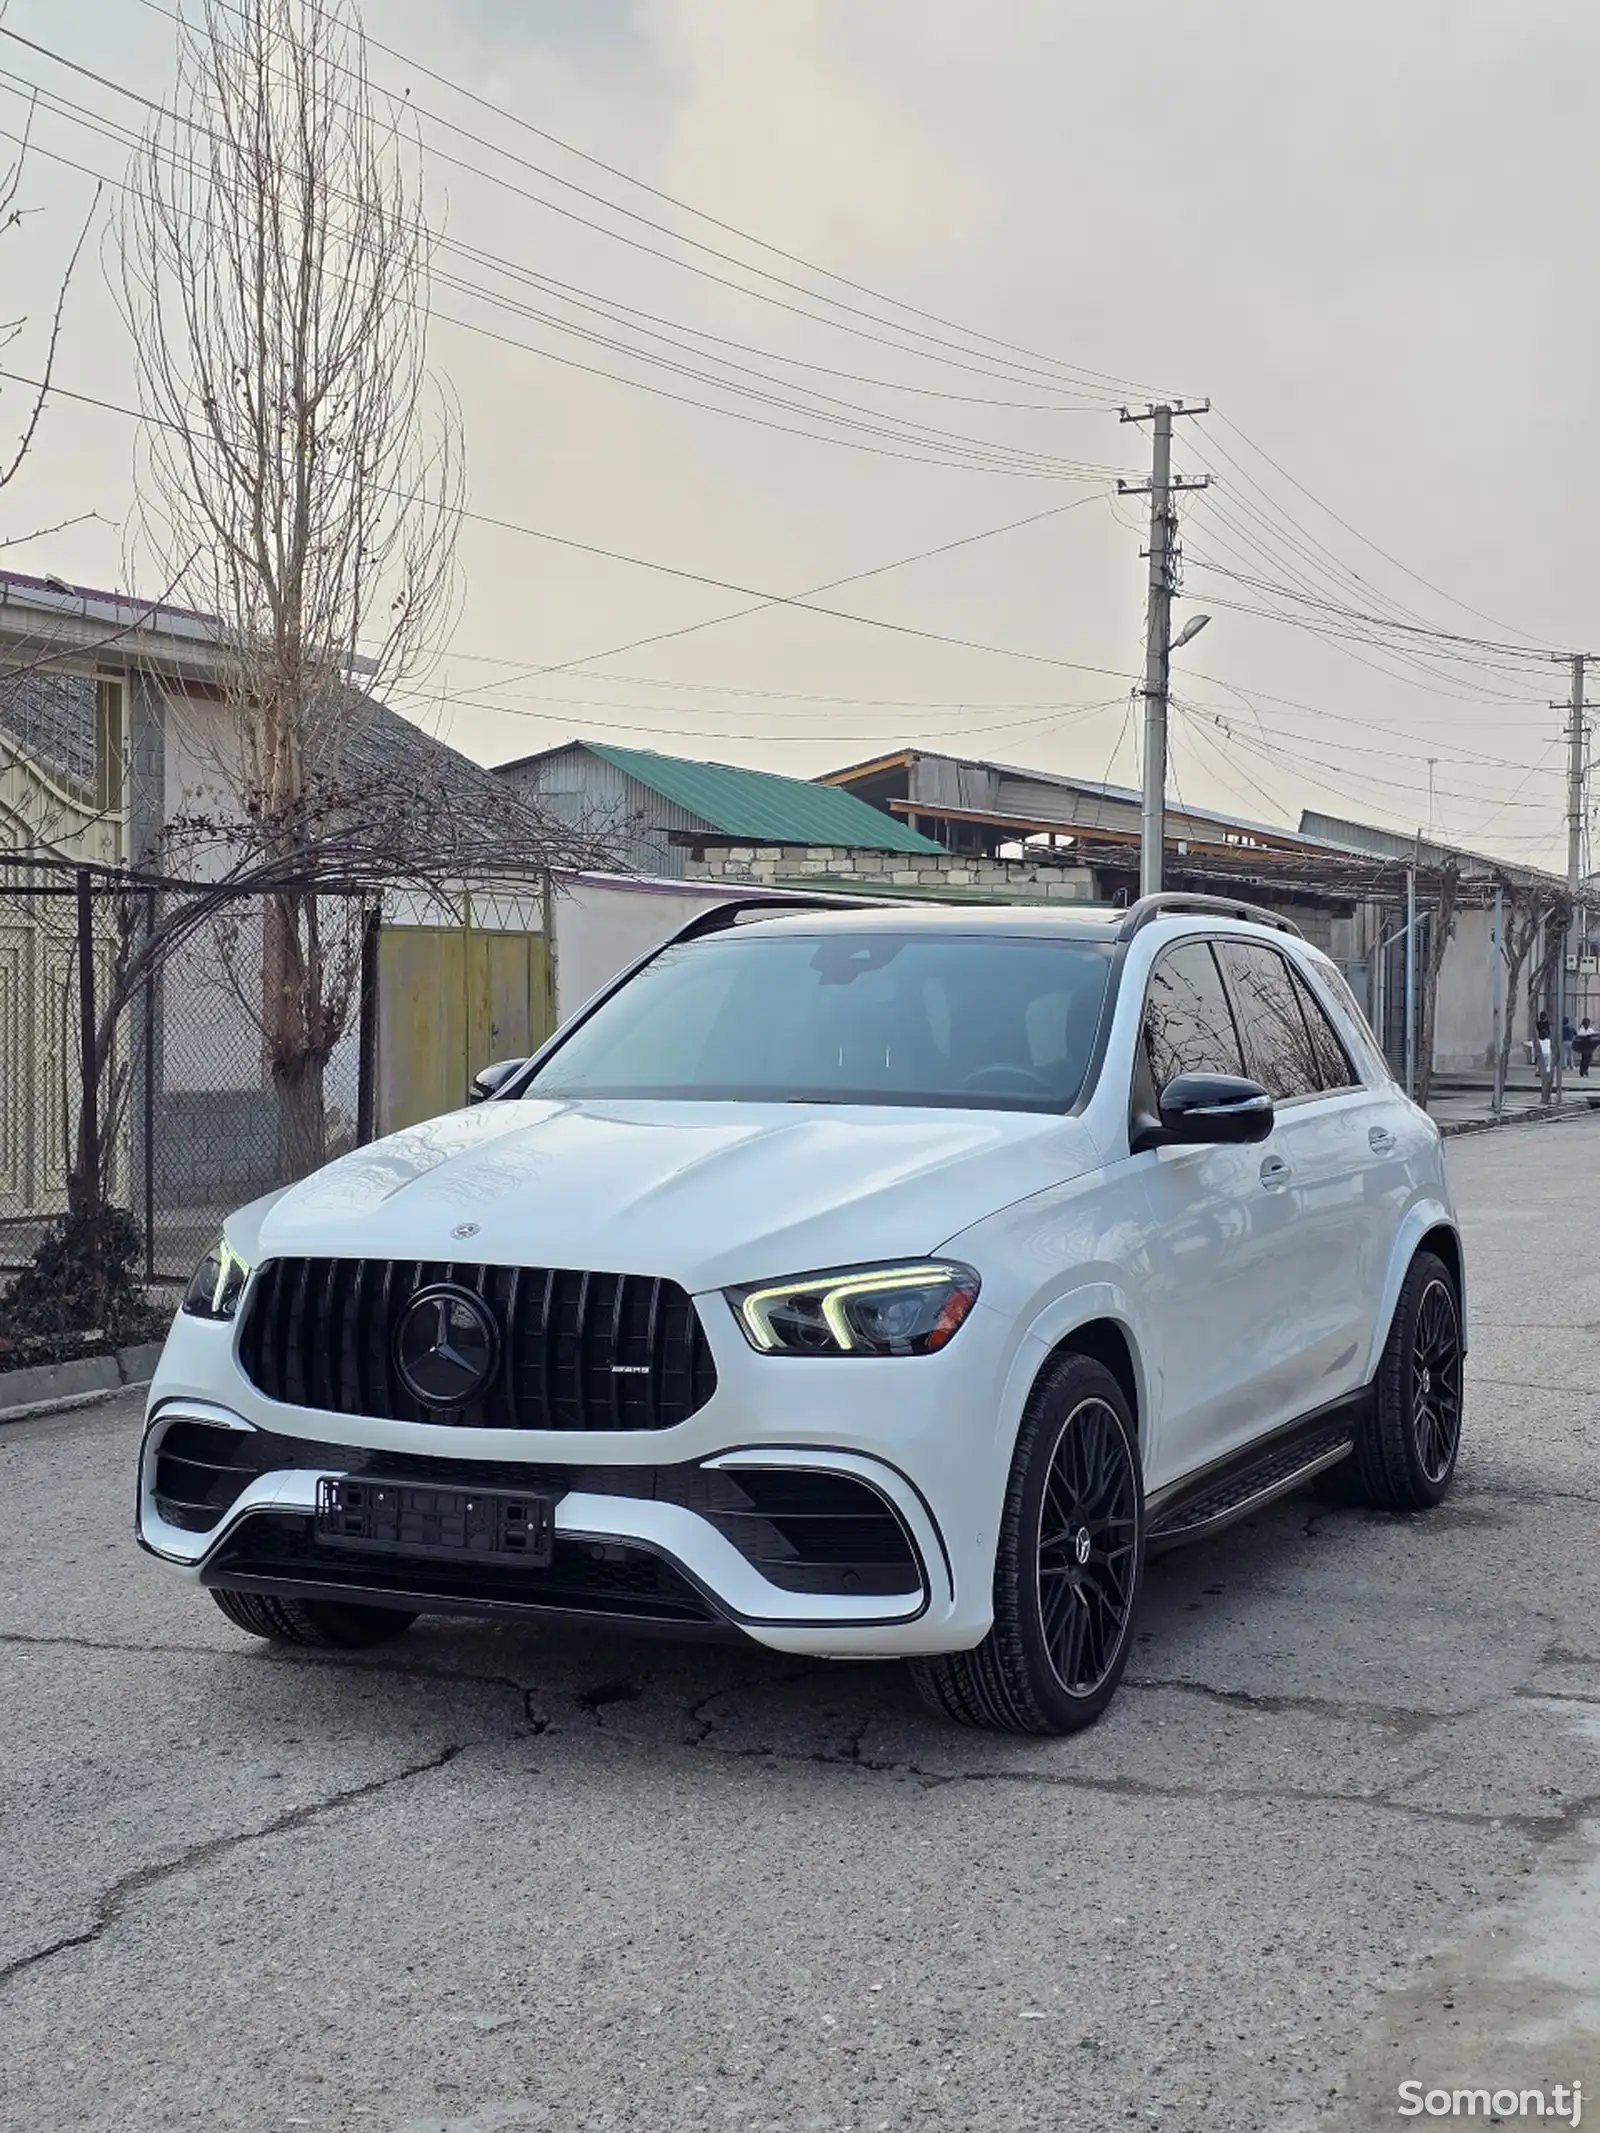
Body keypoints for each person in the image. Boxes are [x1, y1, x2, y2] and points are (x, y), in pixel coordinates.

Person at [1537, 1009, 1553, 1081]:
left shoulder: (1538, 1023)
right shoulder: (1547, 1023)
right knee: (1548, 1062)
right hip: (1547, 1052)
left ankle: (1538, 1070)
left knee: (1540, 1061)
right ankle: (1547, 1071)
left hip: (1541, 1038)